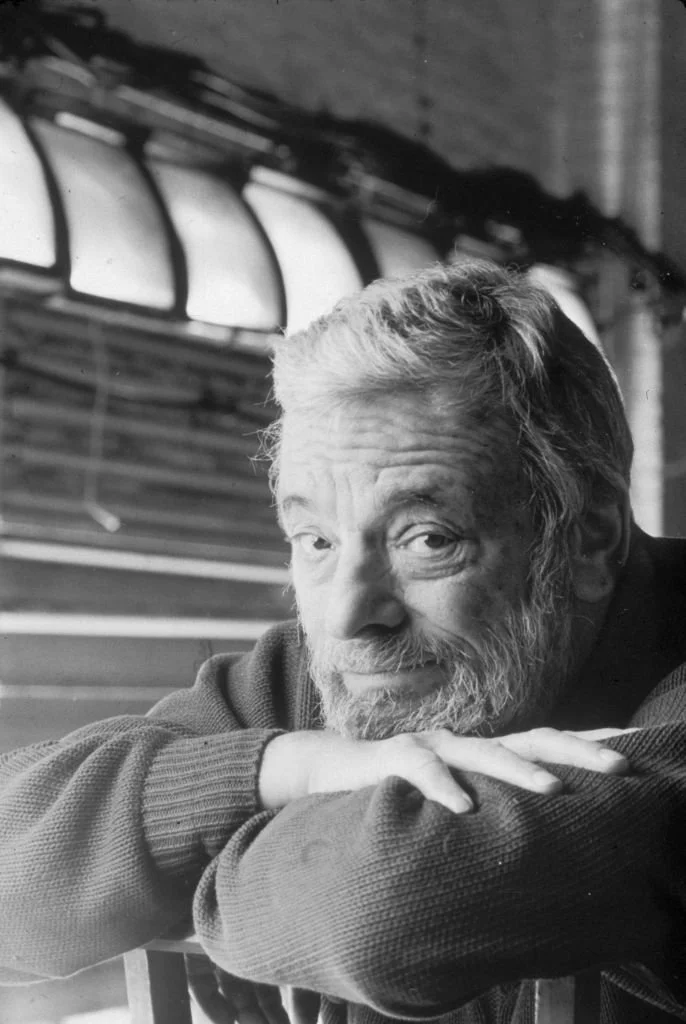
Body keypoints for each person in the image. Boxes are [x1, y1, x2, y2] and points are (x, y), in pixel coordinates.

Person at [2, 258, 686, 1024]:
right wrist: (292, 768)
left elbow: (383, 910)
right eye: (316, 540)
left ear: (590, 540)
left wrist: (157, 877)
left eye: (426, 539)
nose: (345, 617)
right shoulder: (320, 674)